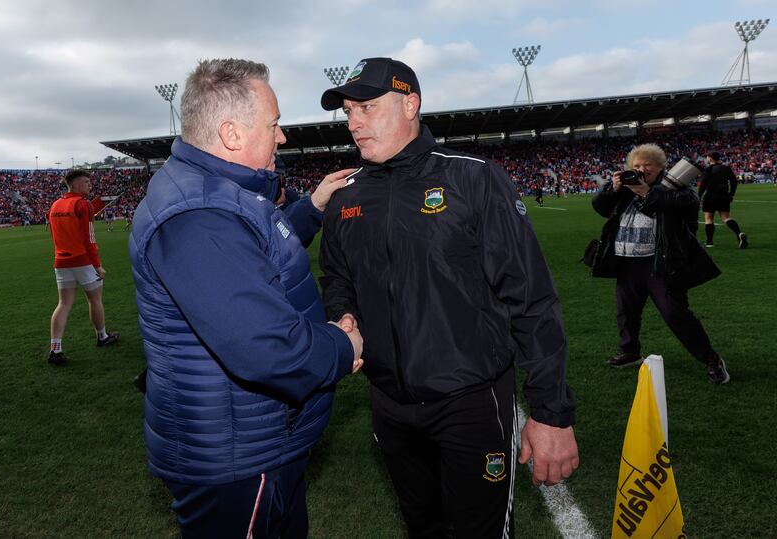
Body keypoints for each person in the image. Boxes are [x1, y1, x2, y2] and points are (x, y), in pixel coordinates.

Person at [318, 57, 578, 538]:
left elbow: (532, 299)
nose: (354, 123)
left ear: (410, 104)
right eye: (349, 111)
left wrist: (551, 413)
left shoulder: (474, 179)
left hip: (471, 403)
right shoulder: (344, 196)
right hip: (390, 404)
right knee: (424, 529)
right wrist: (344, 315)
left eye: (367, 108)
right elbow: (336, 275)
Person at [128, 58, 364, 538]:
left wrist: (311, 208)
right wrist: (343, 349)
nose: (282, 138)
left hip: (253, 442)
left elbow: (253, 254)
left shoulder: (213, 192)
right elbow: (266, 347)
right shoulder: (196, 216)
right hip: (235, 457)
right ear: (232, 134)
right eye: (274, 125)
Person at [591, 143, 729, 384]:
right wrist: (612, 190)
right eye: (636, 165)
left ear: (660, 167)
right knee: (626, 311)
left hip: (661, 263)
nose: (641, 169)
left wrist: (646, 191)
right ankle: (630, 351)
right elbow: (600, 207)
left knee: (675, 313)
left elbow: (688, 204)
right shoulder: (624, 187)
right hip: (627, 262)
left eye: (647, 165)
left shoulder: (675, 186)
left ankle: (711, 359)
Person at [47, 169, 119, 366]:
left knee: (63, 304)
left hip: (61, 261)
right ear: (76, 184)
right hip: (82, 261)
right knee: (95, 299)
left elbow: (54, 236)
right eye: (86, 182)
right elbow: (90, 239)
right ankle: (102, 337)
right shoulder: (82, 204)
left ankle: (55, 349)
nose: (90, 186)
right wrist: (97, 265)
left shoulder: (55, 205)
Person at [698, 151, 748, 248]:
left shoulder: (708, 170)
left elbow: (703, 185)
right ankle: (739, 234)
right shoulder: (726, 168)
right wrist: (731, 194)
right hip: (724, 196)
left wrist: (698, 197)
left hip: (710, 197)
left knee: (708, 219)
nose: (706, 159)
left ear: (711, 158)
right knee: (726, 217)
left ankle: (709, 242)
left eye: (707, 157)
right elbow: (734, 182)